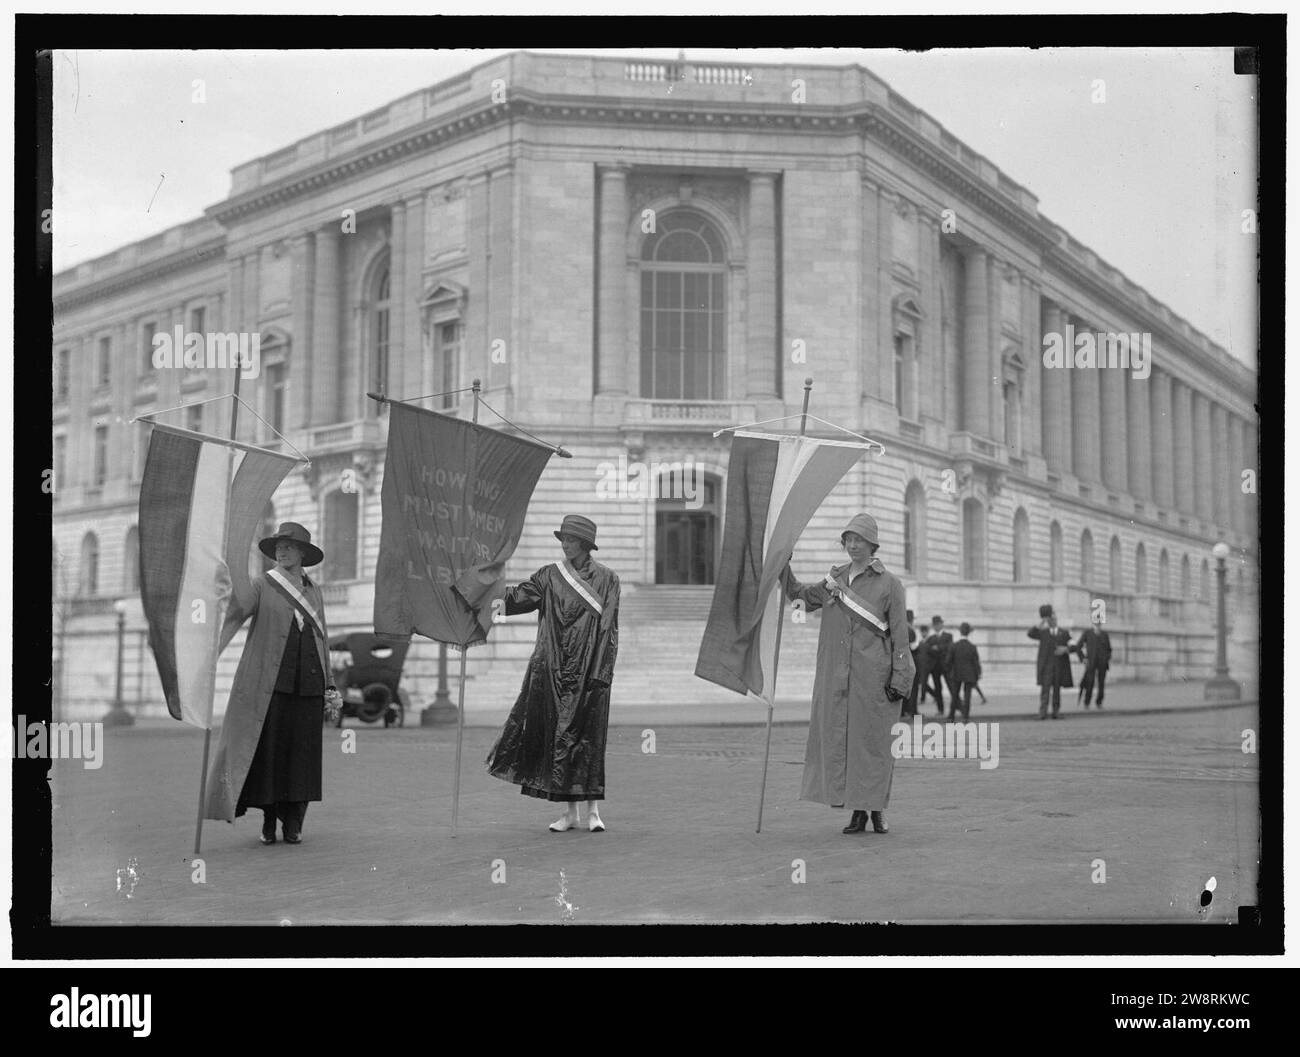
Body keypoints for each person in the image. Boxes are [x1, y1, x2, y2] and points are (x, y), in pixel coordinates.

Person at [204, 523, 342, 845]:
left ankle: (294, 824)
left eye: (289, 547)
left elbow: (323, 639)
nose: (282, 551)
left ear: (303, 554)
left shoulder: (314, 591)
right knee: (272, 756)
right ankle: (269, 823)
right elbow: (236, 608)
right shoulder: (262, 585)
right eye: (279, 546)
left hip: (308, 686)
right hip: (272, 688)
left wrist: (330, 685)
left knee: (302, 759)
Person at [484, 515, 620, 832]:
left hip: (589, 673)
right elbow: (516, 599)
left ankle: (593, 812)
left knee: (588, 740)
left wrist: (601, 672)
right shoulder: (548, 576)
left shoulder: (608, 579)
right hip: (553, 671)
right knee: (560, 739)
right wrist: (482, 593)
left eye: (571, 540)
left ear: (585, 545)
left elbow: (609, 627)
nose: (565, 544)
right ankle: (569, 814)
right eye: (563, 539)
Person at [782, 514, 914, 836]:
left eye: (859, 540)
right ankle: (856, 813)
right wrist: (782, 567)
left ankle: (876, 810)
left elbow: (900, 635)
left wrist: (900, 679)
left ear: (872, 544)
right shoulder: (834, 579)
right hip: (837, 677)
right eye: (848, 539)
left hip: (874, 679)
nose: (853, 545)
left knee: (873, 745)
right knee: (846, 742)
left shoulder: (890, 585)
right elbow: (800, 598)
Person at [1028, 603, 1073, 720]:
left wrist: (1066, 649)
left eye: (1054, 617)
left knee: (1057, 690)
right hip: (1047, 667)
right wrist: (1042, 622)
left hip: (1058, 666)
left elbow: (1075, 646)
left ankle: (1056, 711)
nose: (1052, 619)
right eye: (1050, 618)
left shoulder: (1064, 632)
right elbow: (1030, 634)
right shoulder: (1043, 633)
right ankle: (1042, 712)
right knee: (1045, 691)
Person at [1075, 615, 1112, 708]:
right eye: (1096, 622)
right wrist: (1083, 658)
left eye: (1099, 622)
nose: (1098, 624)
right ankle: (1087, 702)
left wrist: (1106, 658)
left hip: (1102, 663)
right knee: (1089, 682)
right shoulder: (1087, 633)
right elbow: (1078, 647)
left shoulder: (1104, 634)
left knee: (1101, 683)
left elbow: (1109, 649)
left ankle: (1099, 702)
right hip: (1091, 662)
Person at [949, 622, 982, 720]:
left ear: (960, 632)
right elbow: (976, 663)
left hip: (956, 673)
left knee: (955, 695)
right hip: (969, 674)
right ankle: (965, 717)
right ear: (969, 633)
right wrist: (977, 674)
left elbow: (948, 661)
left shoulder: (954, 646)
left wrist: (950, 671)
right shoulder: (972, 647)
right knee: (967, 696)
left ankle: (951, 716)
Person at [925, 615, 956, 718]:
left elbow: (949, 647)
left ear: (942, 624)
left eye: (939, 624)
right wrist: (937, 649)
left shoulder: (948, 636)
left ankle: (957, 706)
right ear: (933, 626)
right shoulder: (931, 638)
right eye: (936, 624)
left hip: (946, 666)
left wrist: (938, 647)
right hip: (935, 668)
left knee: (951, 687)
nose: (937, 626)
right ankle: (940, 709)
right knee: (938, 689)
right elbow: (928, 649)